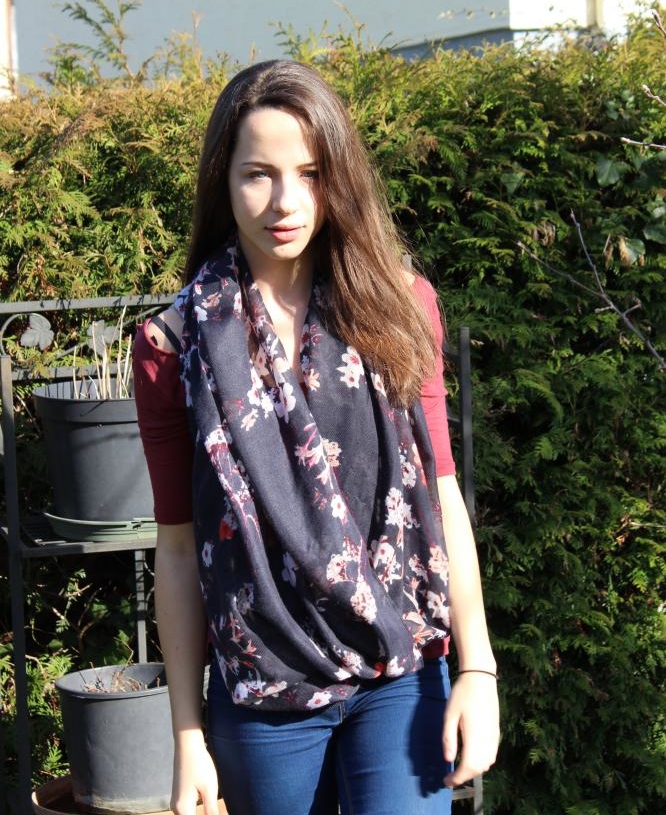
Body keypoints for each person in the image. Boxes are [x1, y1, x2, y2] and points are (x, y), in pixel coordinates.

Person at [133, 59, 499, 815]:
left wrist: (478, 669)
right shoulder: (173, 346)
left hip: (400, 669)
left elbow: (441, 494)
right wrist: (186, 735)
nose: (286, 201)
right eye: (258, 174)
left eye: (310, 172)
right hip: (263, 692)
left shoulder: (400, 308)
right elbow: (177, 546)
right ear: (223, 180)